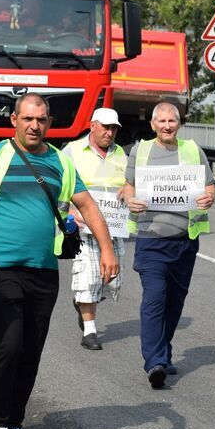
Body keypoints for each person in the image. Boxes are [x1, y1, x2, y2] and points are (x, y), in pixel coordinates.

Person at [0, 93, 119, 429]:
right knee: (7, 345)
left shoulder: (61, 162)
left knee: (30, 351)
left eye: (40, 120)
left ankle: (14, 423)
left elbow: (88, 207)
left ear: (49, 123)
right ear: (15, 121)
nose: (34, 126)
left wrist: (107, 249)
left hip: (43, 271)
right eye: (27, 119)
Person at [121, 102, 215, 389]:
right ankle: (155, 362)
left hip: (184, 241)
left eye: (171, 121)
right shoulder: (140, 151)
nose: (166, 126)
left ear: (179, 123)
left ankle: (163, 351)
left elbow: (209, 186)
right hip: (150, 238)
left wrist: (209, 197)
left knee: (174, 302)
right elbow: (128, 186)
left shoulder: (193, 151)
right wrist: (130, 199)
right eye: (161, 121)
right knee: (155, 298)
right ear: (152, 125)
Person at [62, 107, 128, 350]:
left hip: (113, 227)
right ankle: (89, 330)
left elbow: (130, 183)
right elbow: (59, 184)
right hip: (83, 226)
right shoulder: (72, 151)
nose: (109, 133)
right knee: (87, 276)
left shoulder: (121, 154)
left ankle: (82, 302)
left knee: (110, 278)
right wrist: (68, 211)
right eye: (105, 127)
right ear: (92, 125)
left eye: (114, 129)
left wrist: (129, 189)